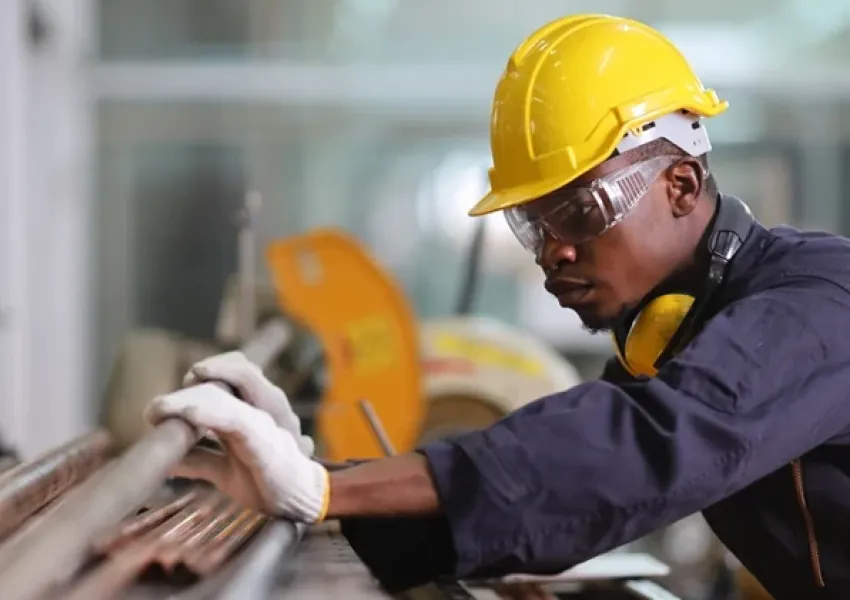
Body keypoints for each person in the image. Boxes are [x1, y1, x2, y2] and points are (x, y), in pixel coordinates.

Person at [145, 14, 850, 600]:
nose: (553, 252)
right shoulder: (678, 327)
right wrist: (322, 478)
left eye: (581, 210)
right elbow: (575, 494)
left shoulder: (819, 306)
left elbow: (637, 448)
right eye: (534, 226)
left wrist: (324, 489)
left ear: (682, 185)